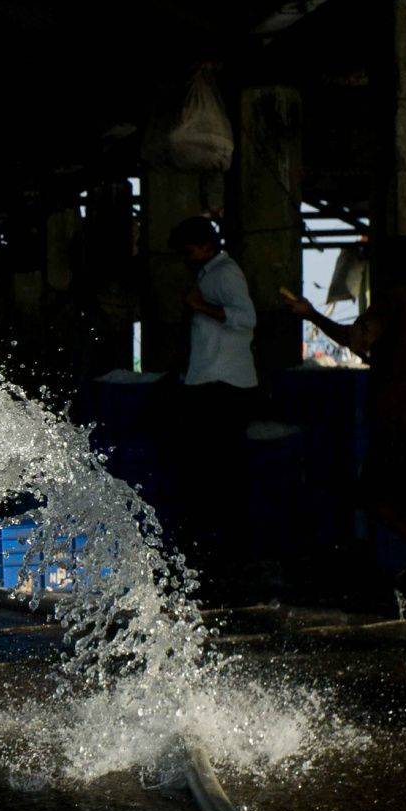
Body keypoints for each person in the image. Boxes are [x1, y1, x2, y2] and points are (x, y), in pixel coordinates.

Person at [284, 236, 406, 607]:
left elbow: (353, 337)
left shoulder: (391, 303)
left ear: (388, 270)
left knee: (370, 495)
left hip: (399, 421)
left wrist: (310, 314)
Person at [167, 216, 258, 574]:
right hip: (212, 381)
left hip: (224, 387)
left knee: (219, 471)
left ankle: (228, 552)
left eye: (189, 250)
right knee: (215, 470)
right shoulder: (210, 273)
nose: (186, 257)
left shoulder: (224, 274)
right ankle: (222, 549)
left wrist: (199, 305)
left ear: (206, 246)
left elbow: (246, 318)